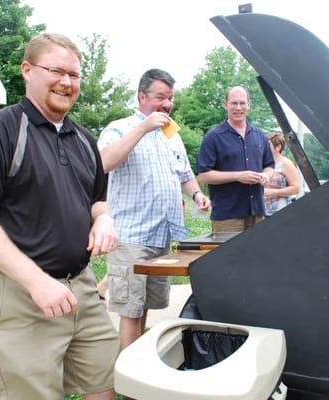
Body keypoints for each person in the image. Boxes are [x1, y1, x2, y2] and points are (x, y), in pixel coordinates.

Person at [0, 33, 120, 400]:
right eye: (56, 70)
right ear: (27, 70)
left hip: (83, 289)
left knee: (103, 386)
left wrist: (103, 219)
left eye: (74, 75)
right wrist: (36, 281)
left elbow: (97, 200)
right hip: (21, 294)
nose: (67, 82)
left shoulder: (84, 139)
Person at [97, 68, 210, 349]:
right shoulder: (119, 128)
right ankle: (129, 378)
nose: (167, 104)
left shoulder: (172, 134)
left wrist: (196, 194)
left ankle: (135, 365)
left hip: (162, 237)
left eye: (170, 98)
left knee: (145, 307)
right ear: (142, 96)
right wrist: (143, 128)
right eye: (160, 97)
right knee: (131, 311)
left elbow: (184, 174)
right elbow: (103, 163)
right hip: (131, 235)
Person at [196, 86, 274, 232]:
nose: (238, 108)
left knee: (258, 255)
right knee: (228, 255)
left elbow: (269, 165)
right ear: (226, 104)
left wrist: (266, 175)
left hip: (257, 213)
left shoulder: (260, 135)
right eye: (234, 103)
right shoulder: (213, 137)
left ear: (249, 105)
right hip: (227, 217)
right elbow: (203, 176)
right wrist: (238, 176)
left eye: (242, 103)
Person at [263, 131, 302, 215]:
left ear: (278, 147)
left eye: (267, 145)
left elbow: (296, 188)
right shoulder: (260, 162)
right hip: (260, 212)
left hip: (280, 210)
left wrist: (273, 192)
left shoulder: (286, 163)